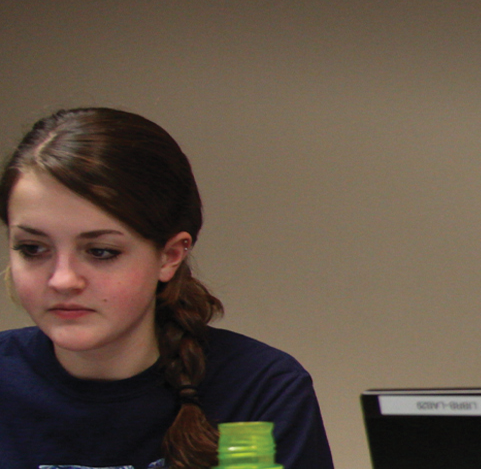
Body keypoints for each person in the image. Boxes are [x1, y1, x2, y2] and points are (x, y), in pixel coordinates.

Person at [1, 108, 334, 469]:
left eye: (101, 252)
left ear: (170, 256)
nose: (62, 279)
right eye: (33, 249)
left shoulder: (257, 392)